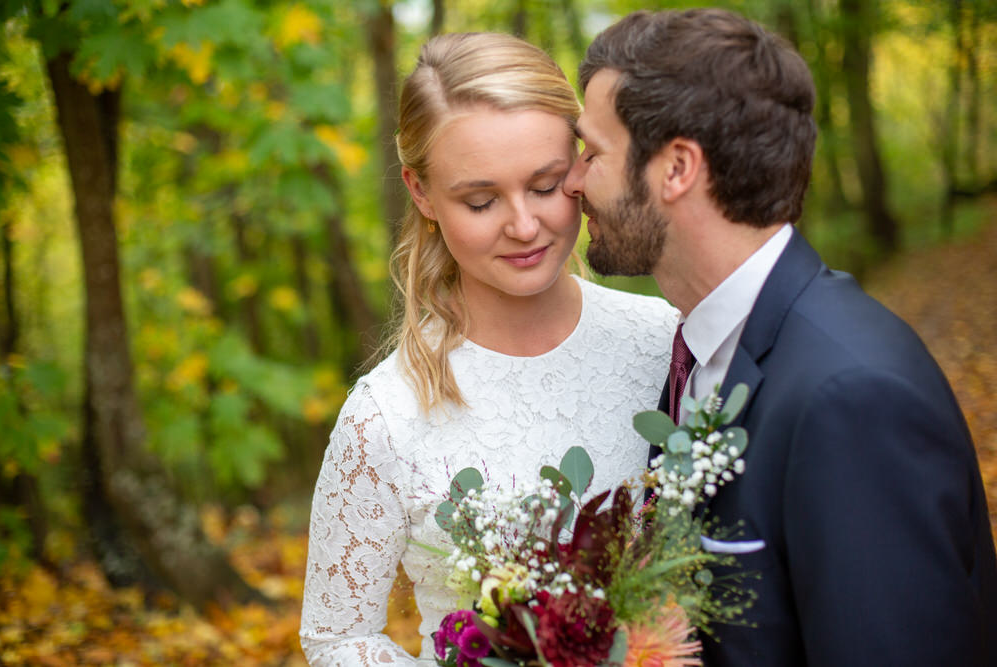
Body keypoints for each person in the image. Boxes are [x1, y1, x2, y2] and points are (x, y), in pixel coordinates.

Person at [563, 8, 997, 666]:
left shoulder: (851, 396)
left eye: (591, 152)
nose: (571, 182)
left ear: (677, 167)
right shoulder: (698, 353)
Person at [299, 32, 679, 666]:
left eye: (546, 184)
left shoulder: (665, 340)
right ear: (420, 192)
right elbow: (338, 636)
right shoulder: (384, 415)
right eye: (480, 200)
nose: (524, 226)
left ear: (581, 165)